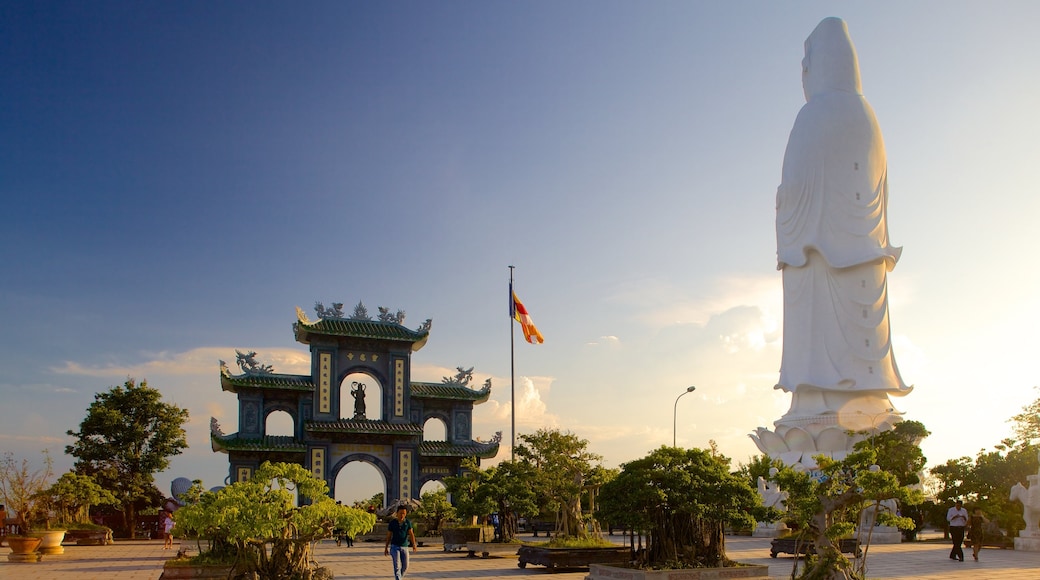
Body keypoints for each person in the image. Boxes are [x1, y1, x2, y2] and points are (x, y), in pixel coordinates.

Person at [384, 504, 417, 580]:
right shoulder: (392, 523)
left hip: (404, 546)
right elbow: (388, 536)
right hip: (395, 547)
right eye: (401, 513)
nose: (402, 515)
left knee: (405, 566)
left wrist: (414, 544)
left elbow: (411, 534)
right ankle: (398, 578)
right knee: (397, 566)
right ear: (397, 513)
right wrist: (386, 548)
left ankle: (399, 577)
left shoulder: (407, 522)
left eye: (404, 513)